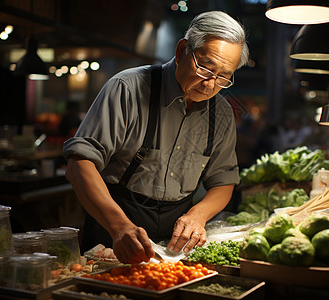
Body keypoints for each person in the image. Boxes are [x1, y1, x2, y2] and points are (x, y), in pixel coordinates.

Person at [63, 11, 249, 264]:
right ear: (182, 50)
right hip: (114, 226)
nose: (210, 84)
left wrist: (198, 215)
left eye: (224, 76)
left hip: (176, 238)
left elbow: (223, 181)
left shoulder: (222, 114)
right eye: (206, 68)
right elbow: (79, 164)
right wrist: (118, 227)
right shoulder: (127, 88)